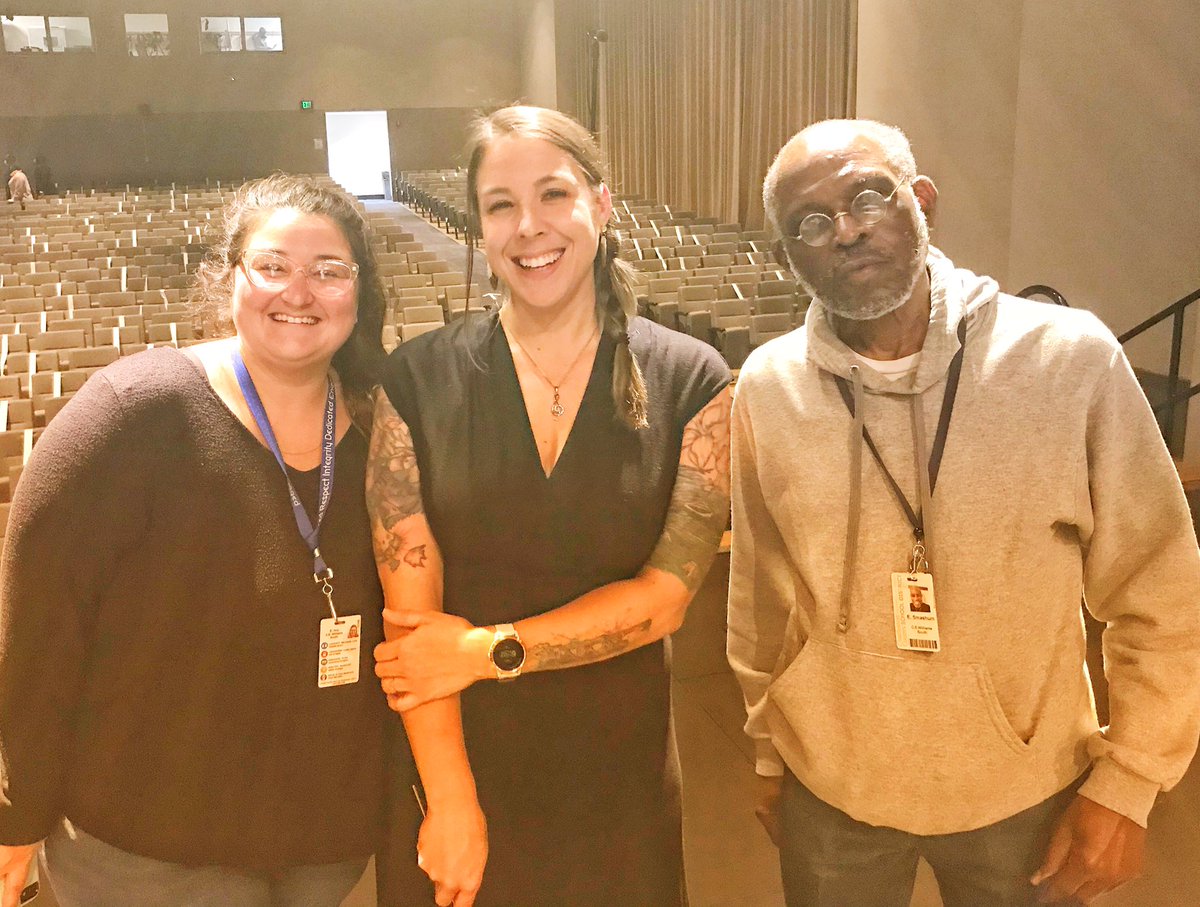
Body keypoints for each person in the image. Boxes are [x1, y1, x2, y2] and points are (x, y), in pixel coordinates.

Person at [727, 118, 1200, 907]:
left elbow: (1160, 586)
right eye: (810, 222)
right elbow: (760, 593)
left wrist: (1131, 780)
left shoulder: (1066, 360)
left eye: (866, 195)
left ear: (922, 201)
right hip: (832, 782)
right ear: (789, 256)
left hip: (1022, 787)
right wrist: (772, 752)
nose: (844, 230)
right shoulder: (769, 387)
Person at [368, 105, 732, 907]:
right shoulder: (415, 381)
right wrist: (453, 798)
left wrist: (493, 649)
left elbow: (665, 599)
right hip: (457, 761)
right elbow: (414, 630)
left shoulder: (693, 380)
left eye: (554, 194)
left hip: (618, 778)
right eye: (501, 204)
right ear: (479, 225)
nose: (529, 226)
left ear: (601, 206)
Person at [0, 173, 390, 906]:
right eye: (272, 266)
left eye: (328, 271)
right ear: (229, 278)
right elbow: (40, 629)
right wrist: (15, 813)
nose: (298, 292)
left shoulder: (387, 430)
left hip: (326, 843)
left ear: (359, 291)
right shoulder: (132, 412)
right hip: (151, 841)